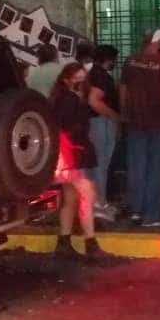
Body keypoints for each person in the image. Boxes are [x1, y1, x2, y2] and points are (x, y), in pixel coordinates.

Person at [120, 28, 160, 227]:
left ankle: (136, 210)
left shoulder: (129, 61)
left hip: (135, 122)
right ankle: (152, 215)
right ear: (158, 43)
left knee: (137, 167)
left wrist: (125, 115)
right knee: (156, 169)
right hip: (159, 122)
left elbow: (123, 89)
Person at [48, 63, 102, 260]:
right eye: (77, 78)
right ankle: (91, 242)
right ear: (67, 79)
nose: (81, 81)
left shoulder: (61, 98)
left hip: (69, 156)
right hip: (76, 155)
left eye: (82, 77)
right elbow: (72, 127)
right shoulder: (70, 100)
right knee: (87, 197)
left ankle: (64, 241)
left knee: (70, 199)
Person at [87, 44, 120, 223]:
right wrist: (113, 115)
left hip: (97, 123)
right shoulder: (100, 76)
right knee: (101, 165)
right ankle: (100, 204)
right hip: (102, 123)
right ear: (109, 59)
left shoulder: (93, 74)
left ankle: (98, 202)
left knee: (97, 166)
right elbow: (94, 101)